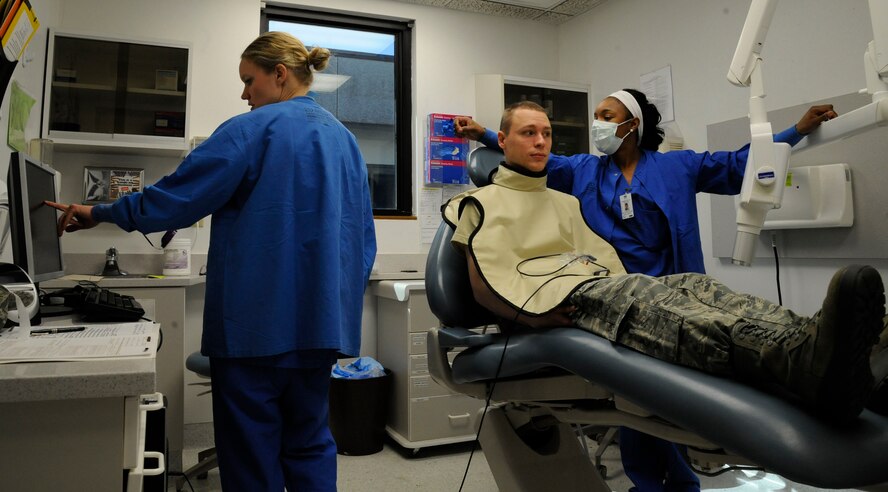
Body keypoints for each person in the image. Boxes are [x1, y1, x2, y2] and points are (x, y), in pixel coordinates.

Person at [454, 91, 837, 491]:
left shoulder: (677, 167)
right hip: (611, 294)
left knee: (717, 301)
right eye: (596, 115)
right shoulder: (581, 171)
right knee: (645, 390)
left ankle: (812, 339)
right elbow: (528, 159)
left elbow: (741, 163)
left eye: (607, 116)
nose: (597, 123)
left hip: (675, 283)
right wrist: (484, 133)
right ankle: (663, 478)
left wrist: (798, 131)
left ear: (631, 124)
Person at [46, 32, 376, 492]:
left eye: (249, 80)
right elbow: (363, 242)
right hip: (322, 329)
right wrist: (336, 308)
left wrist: (98, 212)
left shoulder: (251, 129)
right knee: (308, 442)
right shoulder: (346, 141)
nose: (244, 94)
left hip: (254, 331)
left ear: (279, 75)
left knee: (250, 453)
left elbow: (176, 199)